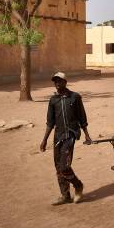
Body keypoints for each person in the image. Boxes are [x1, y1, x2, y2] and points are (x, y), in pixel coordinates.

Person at [40, 72, 92, 205]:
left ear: (65, 82)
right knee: (58, 167)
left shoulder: (75, 97)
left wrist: (86, 134)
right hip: (58, 136)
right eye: (55, 81)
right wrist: (44, 139)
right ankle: (65, 195)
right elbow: (50, 122)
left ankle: (78, 185)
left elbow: (82, 117)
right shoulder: (53, 100)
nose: (57, 84)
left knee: (64, 166)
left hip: (71, 134)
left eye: (59, 81)